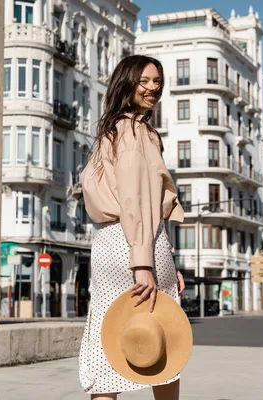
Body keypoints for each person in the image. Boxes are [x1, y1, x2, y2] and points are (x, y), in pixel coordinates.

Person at [78, 54, 186, 399]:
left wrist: (165, 256)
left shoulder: (109, 130)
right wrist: (144, 262)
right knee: (164, 342)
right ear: (127, 83)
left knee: (106, 345)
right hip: (136, 243)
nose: (152, 88)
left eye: (157, 81)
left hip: (111, 242)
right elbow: (137, 199)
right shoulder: (135, 130)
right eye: (144, 81)